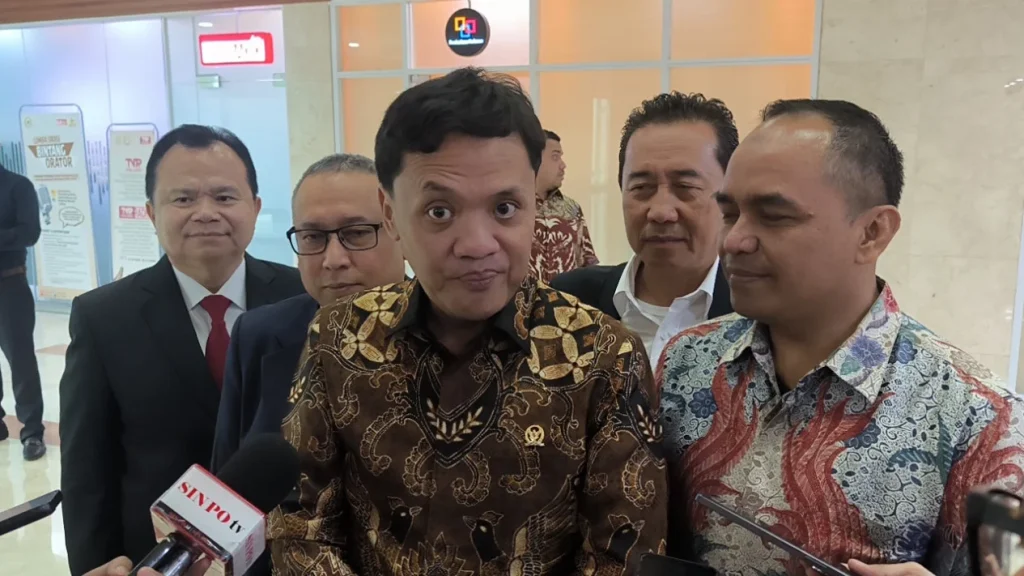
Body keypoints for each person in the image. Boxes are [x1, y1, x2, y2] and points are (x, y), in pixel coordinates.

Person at [268, 68, 667, 575]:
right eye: (439, 212)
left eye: (505, 208)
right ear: (390, 214)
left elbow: (623, 556)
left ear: (535, 204)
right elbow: (300, 524)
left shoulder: (603, 355)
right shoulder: (341, 337)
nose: (478, 245)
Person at [657, 99, 1024, 576]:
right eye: (730, 214)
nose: (733, 241)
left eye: (774, 216)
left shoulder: (980, 418)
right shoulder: (686, 361)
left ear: (872, 231)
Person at [59, 125, 305, 575]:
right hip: (161, 563)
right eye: (184, 199)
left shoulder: (302, 297)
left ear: (255, 208)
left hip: (288, 558)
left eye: (225, 197)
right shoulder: (103, 318)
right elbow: (86, 475)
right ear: (151, 213)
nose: (206, 213)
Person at [211, 152, 407, 472]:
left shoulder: (456, 332)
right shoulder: (259, 334)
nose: (334, 260)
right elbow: (225, 483)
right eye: (313, 237)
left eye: (356, 233)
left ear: (402, 231)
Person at [551, 93, 735, 367]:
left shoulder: (759, 315)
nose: (660, 212)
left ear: (730, 197)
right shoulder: (567, 303)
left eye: (686, 187)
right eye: (641, 188)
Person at [0, 161, 45, 460]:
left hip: (9, 285)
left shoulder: (17, 186)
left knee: (21, 360)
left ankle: (31, 432)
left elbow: (30, 233)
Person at [529, 129, 599, 283]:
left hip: (564, 298)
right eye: (555, 157)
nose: (563, 165)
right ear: (534, 159)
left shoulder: (572, 209)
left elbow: (588, 265)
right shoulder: (513, 209)